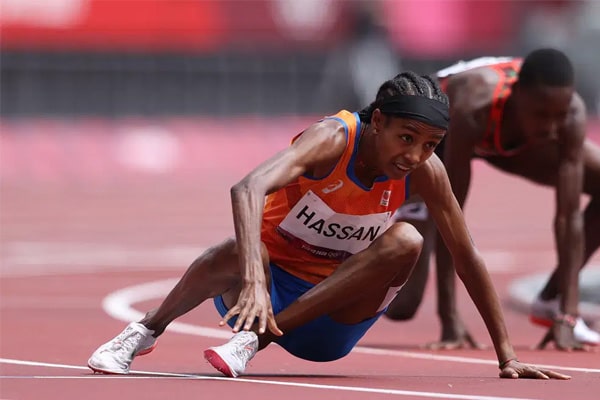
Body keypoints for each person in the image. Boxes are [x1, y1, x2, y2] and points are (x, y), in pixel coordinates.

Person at [87, 72, 569, 380]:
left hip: (332, 321)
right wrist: (254, 282)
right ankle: (144, 332)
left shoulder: (426, 171)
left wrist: (507, 355)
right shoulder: (331, 139)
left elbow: (467, 255)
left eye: (429, 145)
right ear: (377, 122)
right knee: (234, 249)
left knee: (407, 239)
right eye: (406, 138)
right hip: (261, 299)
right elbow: (247, 188)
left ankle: (251, 344)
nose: (414, 156)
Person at [385, 49, 600, 350]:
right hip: (437, 143)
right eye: (541, 114)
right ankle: (363, 245)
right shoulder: (474, 107)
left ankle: (552, 301)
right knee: (403, 305)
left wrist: (569, 314)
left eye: (558, 116)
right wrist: (449, 317)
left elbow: (568, 217)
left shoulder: (570, 115)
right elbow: (452, 214)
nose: (552, 127)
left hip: (507, 139)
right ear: (517, 96)